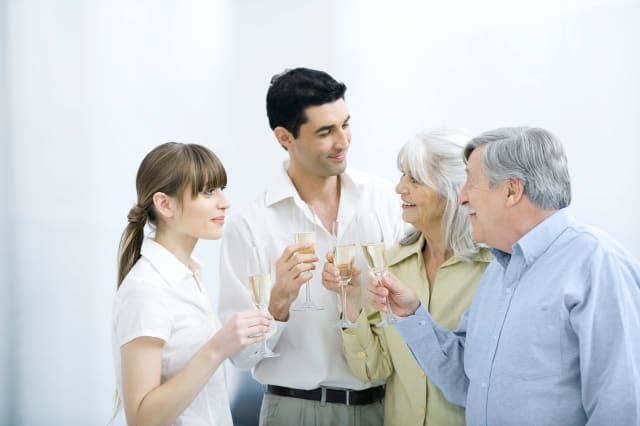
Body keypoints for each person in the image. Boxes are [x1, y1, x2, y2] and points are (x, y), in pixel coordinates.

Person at [367, 127, 640, 426]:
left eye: (471, 181)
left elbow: (620, 408)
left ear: (512, 190)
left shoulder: (598, 264)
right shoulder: (500, 270)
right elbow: (464, 382)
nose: (461, 197)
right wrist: (411, 314)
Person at [218, 68, 403, 426]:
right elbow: (240, 357)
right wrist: (278, 303)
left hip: (388, 408)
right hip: (295, 412)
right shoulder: (251, 226)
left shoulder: (385, 200)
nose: (343, 141)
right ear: (285, 137)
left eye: (345, 124)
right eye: (325, 132)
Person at [322, 129, 492, 425]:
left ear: (453, 190)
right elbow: (373, 369)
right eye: (403, 175)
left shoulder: (493, 269)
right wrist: (350, 299)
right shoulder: (392, 264)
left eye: (414, 179)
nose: (400, 188)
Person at [112, 142, 273, 426]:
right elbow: (141, 418)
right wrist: (217, 348)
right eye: (208, 192)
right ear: (165, 204)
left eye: (221, 189)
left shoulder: (188, 276)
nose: (225, 202)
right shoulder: (146, 289)